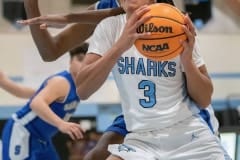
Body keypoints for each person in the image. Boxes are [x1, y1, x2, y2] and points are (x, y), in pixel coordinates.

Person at [20, 0, 223, 160]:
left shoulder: (170, 19)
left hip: (183, 120)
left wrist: (69, 17)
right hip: (140, 120)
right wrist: (31, 5)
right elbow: (51, 53)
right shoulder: (108, 20)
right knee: (95, 155)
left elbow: (134, 11)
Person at [1, 43, 89, 160]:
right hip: (23, 132)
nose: (83, 65)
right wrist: (61, 124)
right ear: (70, 62)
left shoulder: (79, 87)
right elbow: (36, 103)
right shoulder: (62, 82)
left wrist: (4, 82)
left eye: (87, 62)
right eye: (79, 59)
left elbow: (27, 93)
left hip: (42, 138)